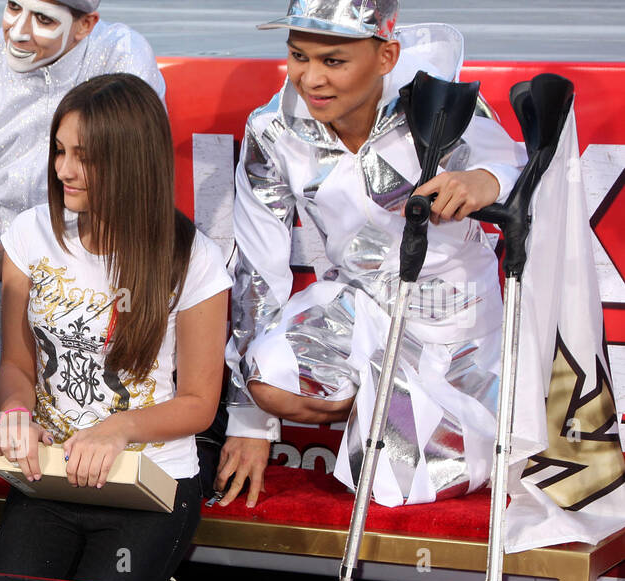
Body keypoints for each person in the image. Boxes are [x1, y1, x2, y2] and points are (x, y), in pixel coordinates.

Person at [215, 0, 526, 508]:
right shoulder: (272, 129)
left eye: (333, 61)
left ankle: (443, 406)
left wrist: (484, 181)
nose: (310, 78)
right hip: (358, 310)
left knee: (400, 487)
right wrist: (251, 419)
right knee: (267, 378)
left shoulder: (441, 102)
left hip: (454, 326)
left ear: (386, 57)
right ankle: (382, 400)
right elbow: (257, 269)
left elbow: (518, 173)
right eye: (297, 56)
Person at [0, 74, 230, 581]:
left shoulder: (194, 259)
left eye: (84, 156)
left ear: (131, 161)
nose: (64, 170)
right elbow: (16, 364)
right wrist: (15, 413)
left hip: (152, 485)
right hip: (48, 479)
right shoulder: (29, 235)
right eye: (59, 150)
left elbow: (198, 402)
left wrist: (117, 429)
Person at [0, 1, 164, 476]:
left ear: (86, 25)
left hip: (105, 286)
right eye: (14, 6)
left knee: (108, 450)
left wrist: (17, 254)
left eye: (45, 19)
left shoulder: (122, 57)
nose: (19, 31)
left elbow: (137, 187)